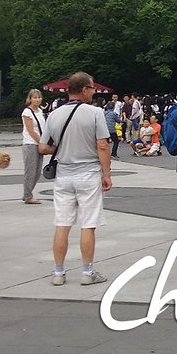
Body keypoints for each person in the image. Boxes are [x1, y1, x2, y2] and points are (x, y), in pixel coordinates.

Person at [41, 72, 113, 286]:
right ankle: (87, 271)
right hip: (88, 172)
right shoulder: (95, 113)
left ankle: (58, 272)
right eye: (92, 88)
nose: (94, 92)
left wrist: (61, 147)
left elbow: (43, 147)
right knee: (88, 224)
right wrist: (106, 173)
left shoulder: (54, 115)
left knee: (62, 223)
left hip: (63, 174)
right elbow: (102, 145)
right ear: (83, 89)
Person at [20, 88, 46, 204]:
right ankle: (28, 195)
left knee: (37, 171)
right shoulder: (27, 112)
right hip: (30, 143)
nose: (37, 99)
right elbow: (31, 130)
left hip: (39, 143)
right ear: (30, 99)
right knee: (30, 170)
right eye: (34, 97)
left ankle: (28, 192)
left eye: (39, 97)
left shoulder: (40, 111)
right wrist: (41, 142)